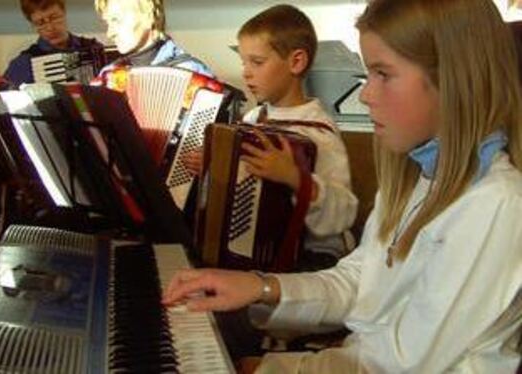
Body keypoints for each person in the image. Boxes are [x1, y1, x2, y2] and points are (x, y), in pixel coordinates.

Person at [164, 0, 522, 372]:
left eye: (383, 73)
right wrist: (260, 286)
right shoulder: (416, 177)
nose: (366, 94)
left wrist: (274, 368)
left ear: (455, 78)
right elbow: (359, 282)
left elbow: (400, 363)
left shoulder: (496, 204)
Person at [187, 4, 358, 262]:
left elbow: (343, 213)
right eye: (243, 62)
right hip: (256, 250)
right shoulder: (253, 120)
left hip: (314, 258)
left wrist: (294, 177)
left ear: (296, 62)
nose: (245, 72)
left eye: (257, 62)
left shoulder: (319, 132)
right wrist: (215, 169)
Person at [94, 0, 212, 77]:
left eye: (116, 20)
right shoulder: (108, 75)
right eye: (107, 23)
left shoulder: (190, 72)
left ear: (149, 18)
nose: (110, 33)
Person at [3, 0, 105, 86]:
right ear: (33, 25)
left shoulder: (94, 48)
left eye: (54, 17)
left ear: (64, 12)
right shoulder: (24, 63)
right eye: (40, 23)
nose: (50, 28)